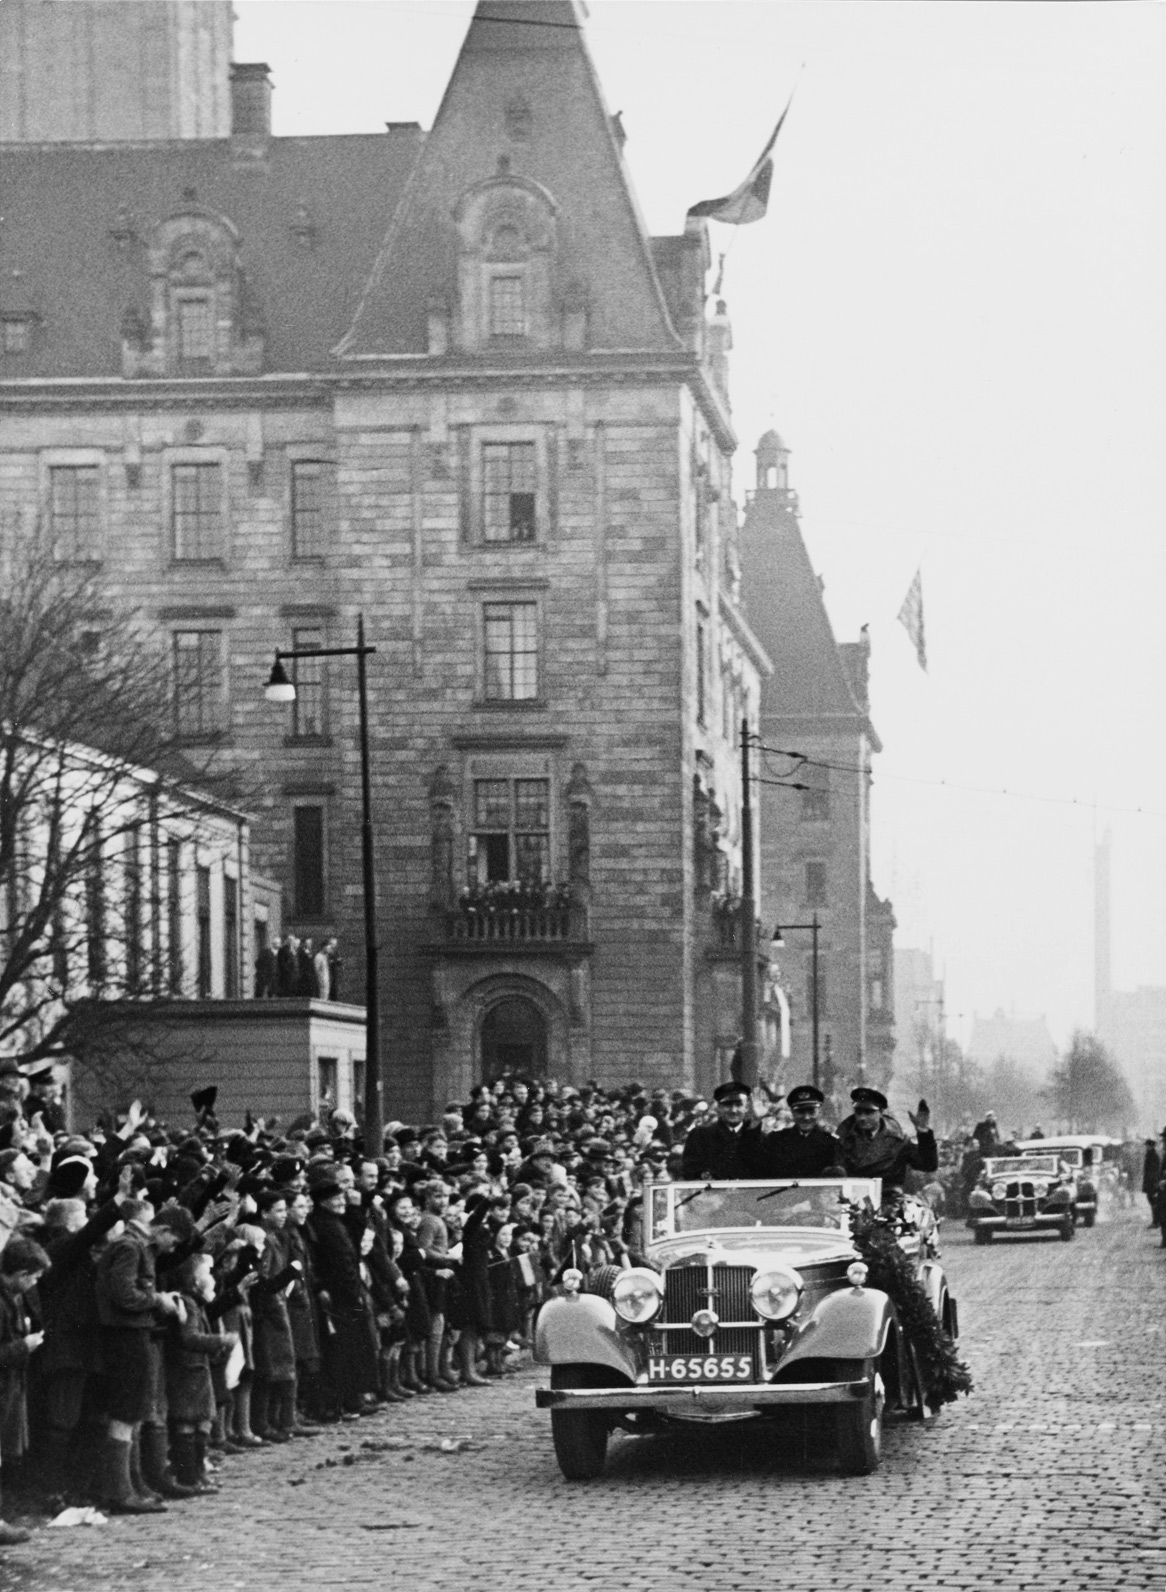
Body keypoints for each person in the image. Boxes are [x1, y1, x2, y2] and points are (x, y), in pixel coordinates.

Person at [835, 1088, 938, 1196]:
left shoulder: (899, 1141)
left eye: (869, 1112)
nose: (862, 1118)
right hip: (852, 1200)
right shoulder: (842, 1139)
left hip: (888, 1201)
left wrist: (923, 1132)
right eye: (858, 1112)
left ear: (881, 1112)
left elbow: (928, 1165)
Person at [679, 1081, 764, 1180]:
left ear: (746, 1107)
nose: (733, 1110)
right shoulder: (701, 1136)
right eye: (727, 1105)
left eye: (739, 1105)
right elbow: (689, 1170)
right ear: (719, 1108)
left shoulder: (758, 1137)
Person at [756, 1085, 841, 1178]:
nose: (806, 1117)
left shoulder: (831, 1143)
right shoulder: (775, 1140)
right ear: (792, 1112)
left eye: (811, 1111)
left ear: (819, 1111)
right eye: (801, 1112)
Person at [1142, 1138, 1162, 1228]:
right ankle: (1156, 1221)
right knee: (1152, 1202)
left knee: (1154, 1202)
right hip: (1150, 1182)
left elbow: (1154, 1171)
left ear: (1151, 1146)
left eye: (1147, 1145)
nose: (1146, 1147)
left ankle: (1156, 1222)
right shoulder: (1150, 1155)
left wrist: (1153, 1184)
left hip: (1152, 1183)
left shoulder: (1153, 1156)